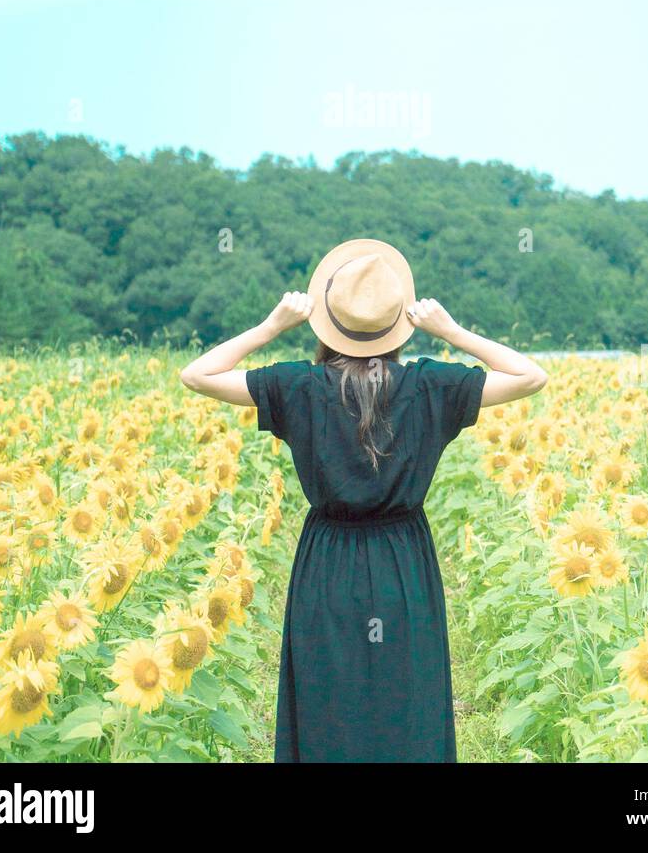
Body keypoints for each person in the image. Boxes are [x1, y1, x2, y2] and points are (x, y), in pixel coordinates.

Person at [180, 237, 547, 763]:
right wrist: (452, 331)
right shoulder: (431, 384)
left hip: (327, 559)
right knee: (407, 697)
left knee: (330, 694)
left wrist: (272, 326)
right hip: (404, 560)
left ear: (329, 321)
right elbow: (531, 376)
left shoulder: (298, 386)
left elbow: (197, 376)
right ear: (396, 322)